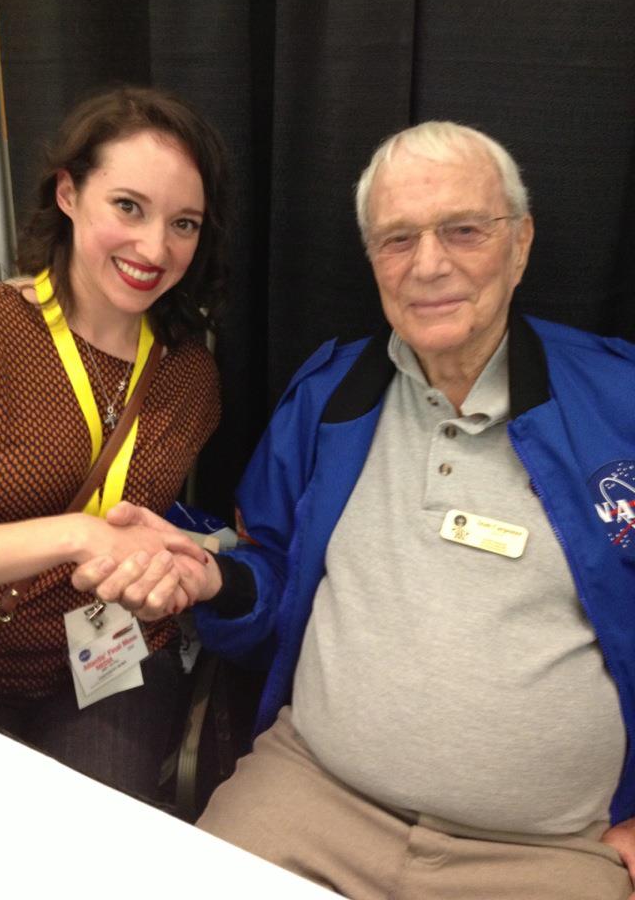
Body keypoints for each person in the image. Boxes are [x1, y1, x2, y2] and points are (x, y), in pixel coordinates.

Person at [72, 121, 635, 898]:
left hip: (547, 853)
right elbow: (268, 569)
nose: (429, 264)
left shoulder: (619, 404)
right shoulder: (331, 395)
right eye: (397, 239)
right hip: (311, 798)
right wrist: (211, 575)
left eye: (464, 230)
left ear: (521, 242)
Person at [0, 84, 230, 803]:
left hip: (114, 662)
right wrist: (74, 536)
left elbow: (151, 527)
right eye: (129, 207)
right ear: (68, 193)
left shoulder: (192, 374)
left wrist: (165, 576)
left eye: (184, 223)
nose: (155, 248)